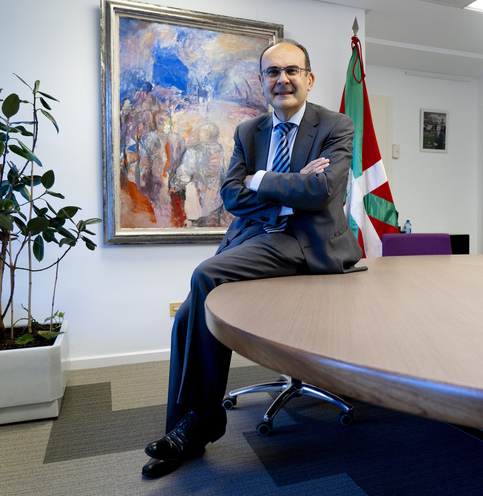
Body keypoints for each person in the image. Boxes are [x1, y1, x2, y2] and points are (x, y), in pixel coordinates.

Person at [141, 38, 365, 478]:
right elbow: (230, 195)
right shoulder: (249, 131)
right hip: (255, 236)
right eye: (272, 72)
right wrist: (289, 185)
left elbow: (322, 192)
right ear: (262, 81)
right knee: (187, 317)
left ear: (309, 78)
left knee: (206, 274)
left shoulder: (335, 125)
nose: (282, 80)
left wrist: (259, 178)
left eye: (292, 71)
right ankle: (182, 429)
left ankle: (201, 422)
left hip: (305, 241)